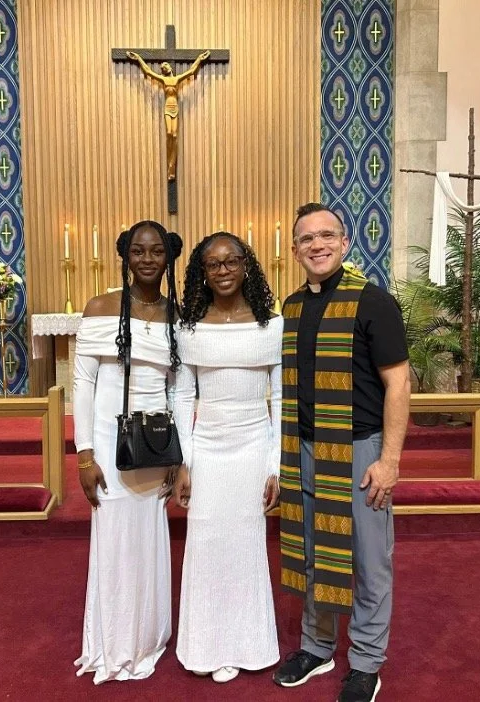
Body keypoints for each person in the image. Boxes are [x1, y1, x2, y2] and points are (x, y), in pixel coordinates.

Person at [272, 204, 411, 702]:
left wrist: (389, 461)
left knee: (369, 562)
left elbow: (399, 384)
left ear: (345, 242)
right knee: (314, 553)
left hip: (359, 451)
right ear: (295, 251)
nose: (318, 245)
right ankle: (317, 646)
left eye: (327, 235)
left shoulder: (373, 302)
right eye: (307, 239)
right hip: (304, 449)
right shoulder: (291, 308)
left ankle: (367, 663)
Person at [72, 220, 187, 684]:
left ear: (169, 257)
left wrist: (177, 455)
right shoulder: (100, 307)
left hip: (155, 443)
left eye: (156, 251)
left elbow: (177, 389)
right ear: (125, 256)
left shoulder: (178, 315)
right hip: (109, 441)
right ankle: (115, 641)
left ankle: (146, 635)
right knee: (116, 540)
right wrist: (84, 454)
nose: (147, 259)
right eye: (138, 251)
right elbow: (83, 384)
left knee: (148, 540)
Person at [170, 232, 282, 683]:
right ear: (202, 271)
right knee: (207, 541)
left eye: (231, 261)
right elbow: (182, 396)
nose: (223, 271)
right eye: (213, 264)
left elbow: (281, 398)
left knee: (245, 542)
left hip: (253, 444)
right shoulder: (189, 328)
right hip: (208, 447)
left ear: (245, 264)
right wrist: (185, 461)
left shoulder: (271, 325)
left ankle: (246, 644)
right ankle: (206, 644)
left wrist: (275, 465)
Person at [125, 49, 211, 180]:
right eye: (162, 68)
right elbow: (148, 72)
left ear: (169, 67)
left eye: (165, 65)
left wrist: (199, 58)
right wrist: (138, 59)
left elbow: (191, 71)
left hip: (175, 108)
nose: (163, 68)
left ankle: (172, 166)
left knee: (175, 135)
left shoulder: (177, 79)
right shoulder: (163, 80)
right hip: (167, 108)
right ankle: (169, 165)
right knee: (169, 133)